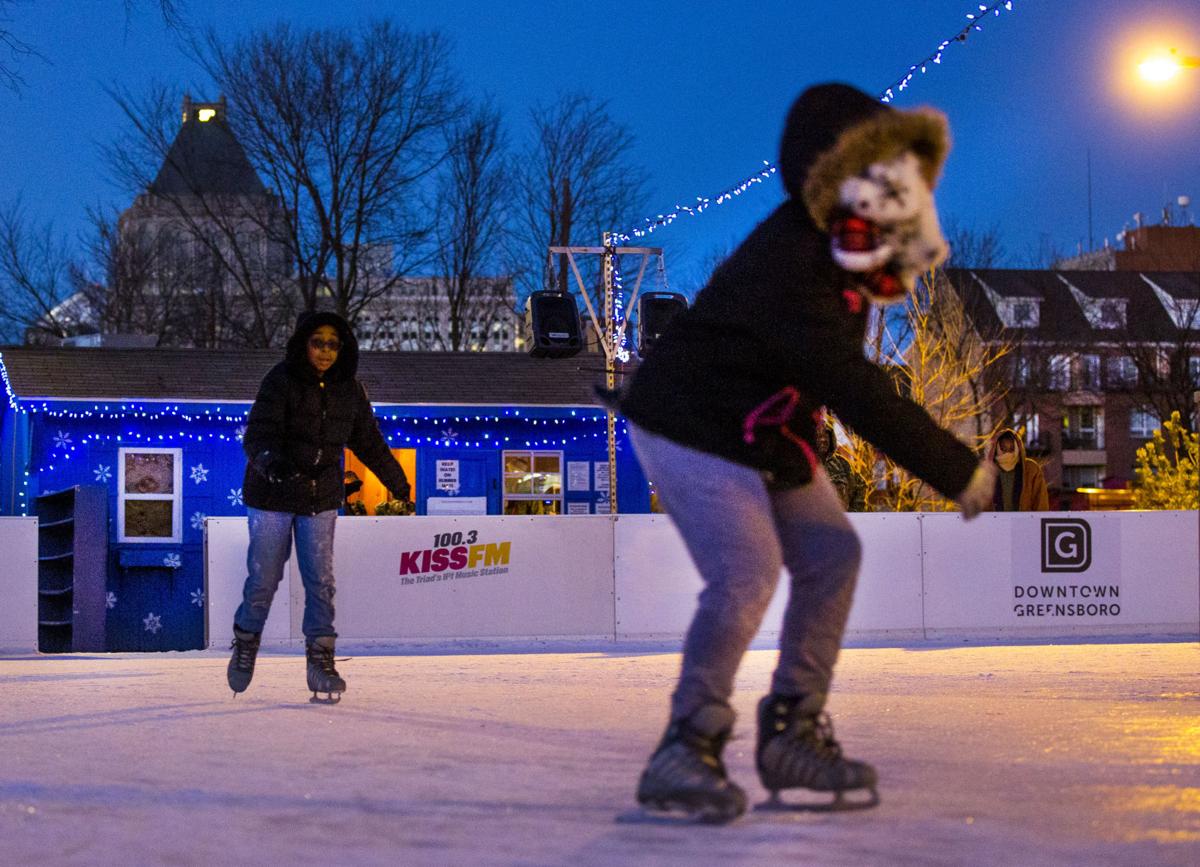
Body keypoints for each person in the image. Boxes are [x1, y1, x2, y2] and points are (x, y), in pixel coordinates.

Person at [613, 83, 996, 822]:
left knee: (831, 552)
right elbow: (853, 387)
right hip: (691, 419)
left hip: (763, 429)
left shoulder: (841, 265)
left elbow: (833, 379)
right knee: (747, 572)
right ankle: (684, 741)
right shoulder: (793, 259)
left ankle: (791, 727)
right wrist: (956, 468)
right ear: (838, 181)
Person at [227, 311, 411, 701]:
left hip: (320, 497)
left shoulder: (351, 390)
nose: (325, 351)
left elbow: (368, 441)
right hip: (273, 494)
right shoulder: (280, 380)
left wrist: (396, 480)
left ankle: (320, 663)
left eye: (333, 343)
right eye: (318, 342)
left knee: (321, 582)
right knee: (264, 580)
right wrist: (271, 462)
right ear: (303, 344)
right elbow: (258, 432)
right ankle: (246, 642)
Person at [987, 428, 1049, 511]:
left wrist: (1038, 522)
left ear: (1017, 447)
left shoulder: (1031, 469)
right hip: (994, 522)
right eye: (1003, 448)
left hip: (1024, 522)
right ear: (997, 448)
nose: (1007, 452)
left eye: (1011, 448)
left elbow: (1040, 500)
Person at [815, 414, 866, 511]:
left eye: (826, 436)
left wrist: (854, 512)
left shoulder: (842, 464)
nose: (823, 440)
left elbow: (860, 485)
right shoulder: (806, 465)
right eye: (819, 436)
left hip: (840, 521)